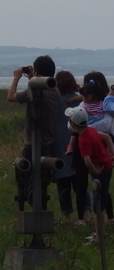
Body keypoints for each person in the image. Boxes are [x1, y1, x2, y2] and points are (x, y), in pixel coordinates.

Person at [66, 106, 114, 227]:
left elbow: (87, 161)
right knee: (103, 193)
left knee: (97, 201)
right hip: (107, 165)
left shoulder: (83, 139)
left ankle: (99, 233)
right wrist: (111, 155)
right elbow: (107, 137)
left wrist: (94, 171)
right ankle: (108, 220)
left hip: (101, 169)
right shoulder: (90, 130)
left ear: (72, 124)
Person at [7, 55, 60, 161]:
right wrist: (32, 77)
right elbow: (38, 92)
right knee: (45, 175)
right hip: (49, 142)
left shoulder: (35, 92)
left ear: (37, 72)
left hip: (34, 144)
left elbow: (11, 97)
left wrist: (16, 78)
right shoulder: (55, 90)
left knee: (28, 175)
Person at [53, 70, 83, 222]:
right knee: (80, 181)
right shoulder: (79, 101)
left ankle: (67, 216)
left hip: (59, 144)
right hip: (77, 143)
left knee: (62, 181)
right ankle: (85, 213)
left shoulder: (55, 101)